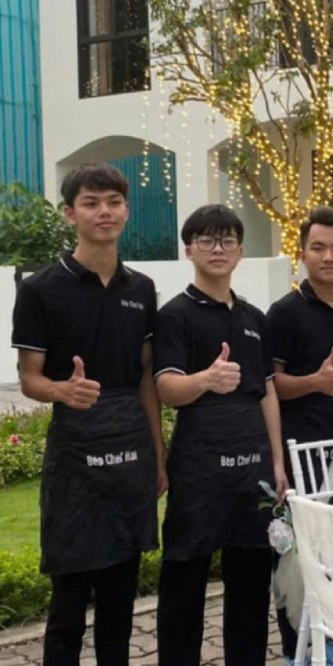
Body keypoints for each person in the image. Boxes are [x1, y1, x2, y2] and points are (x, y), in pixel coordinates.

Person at [11, 162, 164, 666]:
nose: (105, 212)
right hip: (74, 454)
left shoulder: (141, 289)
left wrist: (158, 457)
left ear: (126, 209)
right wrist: (63, 390)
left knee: (120, 602)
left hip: (129, 448)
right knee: (69, 604)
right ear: (70, 213)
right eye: (92, 203)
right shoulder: (40, 289)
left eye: (114, 202)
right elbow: (29, 379)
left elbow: (146, 379)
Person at [153, 204, 288, 666]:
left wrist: (277, 462)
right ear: (188, 250)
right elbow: (166, 389)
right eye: (206, 240)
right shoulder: (174, 315)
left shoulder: (254, 317)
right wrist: (206, 379)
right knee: (184, 578)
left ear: (240, 252)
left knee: (251, 581)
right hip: (199, 466)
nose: (218, 249)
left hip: (252, 462)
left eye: (227, 240)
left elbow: (267, 391)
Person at [265, 206, 333, 661]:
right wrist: (315, 382)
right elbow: (270, 386)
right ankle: (296, 652)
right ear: (302, 254)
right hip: (300, 455)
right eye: (318, 248)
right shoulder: (284, 313)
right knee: (297, 562)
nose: (328, 257)